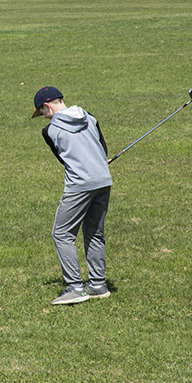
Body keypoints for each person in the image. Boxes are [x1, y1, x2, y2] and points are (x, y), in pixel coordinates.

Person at [32, 86, 113, 305]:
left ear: (47, 106)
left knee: (62, 233)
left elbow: (63, 159)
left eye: (41, 112)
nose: (43, 117)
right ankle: (98, 285)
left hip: (79, 185)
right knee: (94, 232)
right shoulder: (90, 116)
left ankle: (75, 288)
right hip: (103, 180)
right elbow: (101, 148)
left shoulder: (49, 131)